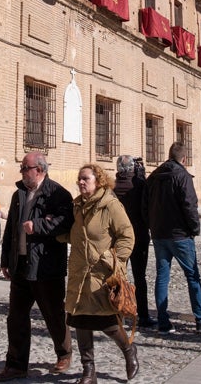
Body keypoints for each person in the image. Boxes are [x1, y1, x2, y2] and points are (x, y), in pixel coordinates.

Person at [0, 152, 74, 382]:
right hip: (20, 265)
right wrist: (6, 258)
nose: (21, 172)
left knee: (53, 314)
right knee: (16, 317)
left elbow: (65, 221)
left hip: (46, 266)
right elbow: (11, 228)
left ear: (38, 170)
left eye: (24, 168)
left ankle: (64, 352)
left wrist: (37, 225)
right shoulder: (19, 193)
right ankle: (16, 365)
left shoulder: (57, 193)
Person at [63, 164, 137, 384]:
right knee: (80, 322)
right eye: (79, 178)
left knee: (107, 322)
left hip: (101, 275)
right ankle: (89, 372)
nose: (80, 182)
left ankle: (128, 350)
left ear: (99, 181)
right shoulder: (77, 206)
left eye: (85, 178)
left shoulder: (111, 205)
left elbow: (127, 236)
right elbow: (74, 235)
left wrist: (113, 260)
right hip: (80, 273)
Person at [142, 142, 201, 335]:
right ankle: (200, 320)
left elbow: (144, 204)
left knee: (162, 277)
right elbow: (190, 204)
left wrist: (151, 225)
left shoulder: (154, 176)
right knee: (192, 276)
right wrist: (194, 227)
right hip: (180, 234)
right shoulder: (182, 176)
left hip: (159, 234)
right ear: (184, 159)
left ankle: (163, 321)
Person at [113, 155, 155, 327]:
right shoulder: (139, 185)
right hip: (139, 237)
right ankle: (143, 315)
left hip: (118, 239)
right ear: (132, 168)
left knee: (117, 277)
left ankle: (116, 314)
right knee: (140, 277)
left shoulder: (112, 188)